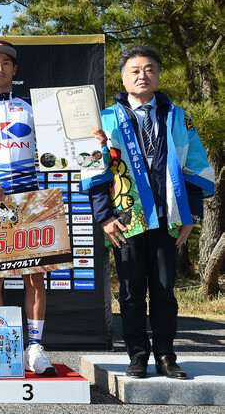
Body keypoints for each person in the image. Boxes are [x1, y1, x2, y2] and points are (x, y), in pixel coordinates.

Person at [0, 40, 106, 375]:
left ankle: (35, 347)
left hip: (31, 199)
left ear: (14, 69)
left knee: (35, 277)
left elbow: (65, 149)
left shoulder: (33, 109)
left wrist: (92, 146)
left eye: (5, 63)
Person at [82, 46, 214, 379]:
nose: (143, 75)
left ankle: (166, 356)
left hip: (169, 216)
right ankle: (137, 356)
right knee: (131, 291)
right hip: (126, 217)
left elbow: (195, 164)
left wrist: (190, 214)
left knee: (165, 290)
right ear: (123, 78)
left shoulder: (179, 117)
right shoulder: (105, 119)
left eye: (149, 69)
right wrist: (104, 216)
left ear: (158, 74)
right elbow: (93, 168)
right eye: (135, 70)